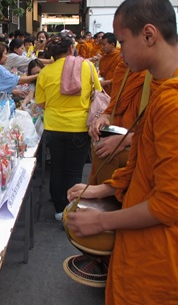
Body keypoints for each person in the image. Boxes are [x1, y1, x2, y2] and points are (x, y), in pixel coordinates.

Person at [66, 0, 178, 304]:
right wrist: (106, 189)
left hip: (161, 253)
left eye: (123, 42)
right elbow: (147, 163)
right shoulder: (172, 85)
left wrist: (101, 220)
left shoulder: (177, 101)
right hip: (148, 241)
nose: (119, 52)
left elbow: (168, 205)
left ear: (148, 34)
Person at [34, 37, 102, 221]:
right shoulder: (86, 66)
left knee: (57, 166)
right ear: (72, 49)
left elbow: (40, 102)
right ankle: (71, 209)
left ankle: (58, 208)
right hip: (79, 125)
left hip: (53, 126)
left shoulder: (45, 72)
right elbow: (98, 90)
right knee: (74, 170)